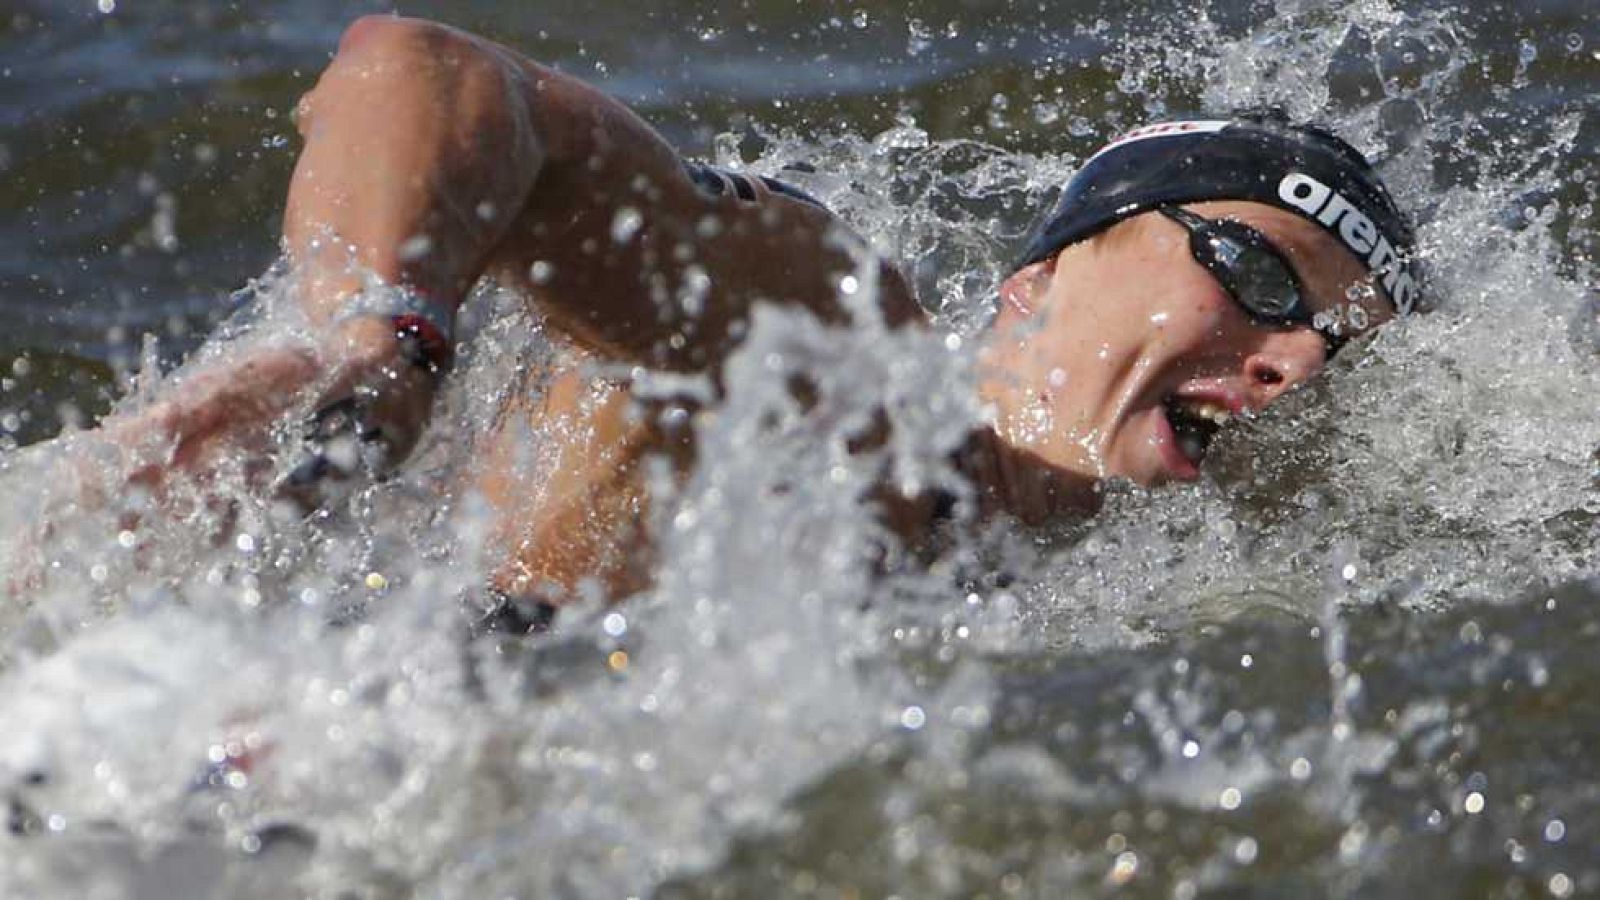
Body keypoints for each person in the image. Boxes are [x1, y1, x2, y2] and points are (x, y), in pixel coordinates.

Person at [70, 16, 1420, 629]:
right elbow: (427, 69)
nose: (1296, 354)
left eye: (1331, 344)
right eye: (1253, 269)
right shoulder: (838, 351)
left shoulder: (1063, 602)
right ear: (1037, 282)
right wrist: (383, 342)